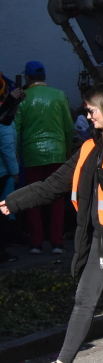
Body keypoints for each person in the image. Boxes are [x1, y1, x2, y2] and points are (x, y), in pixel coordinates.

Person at [1, 84, 103, 363]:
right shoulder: (90, 147)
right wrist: (14, 201)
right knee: (83, 302)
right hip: (99, 236)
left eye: (91, 110)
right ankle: (63, 361)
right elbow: (54, 185)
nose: (88, 116)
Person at [14, 61, 76, 254]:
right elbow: (68, 127)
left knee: (33, 198)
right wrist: (67, 151)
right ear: (44, 77)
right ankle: (57, 242)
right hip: (57, 152)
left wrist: (16, 156)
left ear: (28, 77)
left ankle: (36, 243)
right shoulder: (59, 96)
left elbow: (16, 130)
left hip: (32, 154)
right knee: (57, 198)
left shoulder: (23, 99)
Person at [0, 75, 19, 262]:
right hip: (2, 173)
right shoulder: (3, 117)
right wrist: (15, 171)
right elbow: (6, 147)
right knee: (2, 215)